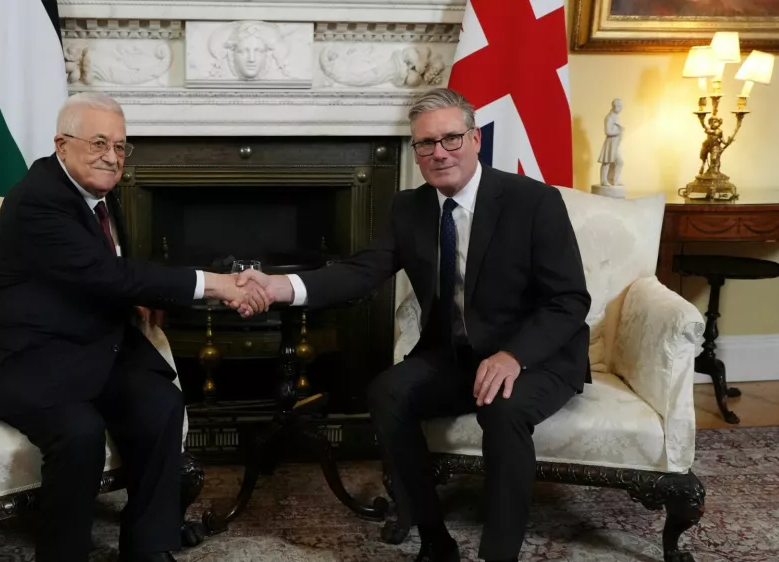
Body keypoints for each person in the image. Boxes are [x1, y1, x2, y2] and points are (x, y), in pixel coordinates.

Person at [236, 87, 591, 562]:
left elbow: (569, 300)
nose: (439, 153)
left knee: (502, 411)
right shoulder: (411, 207)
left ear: (475, 139)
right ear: (415, 150)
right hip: (456, 353)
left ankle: (499, 553)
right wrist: (281, 287)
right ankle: (433, 538)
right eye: (426, 144)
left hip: (536, 356)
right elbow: (361, 272)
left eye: (451, 139)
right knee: (388, 392)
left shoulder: (534, 201)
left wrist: (513, 357)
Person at [0, 92, 269, 562]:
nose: (112, 157)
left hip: (89, 346)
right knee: (79, 430)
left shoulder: (96, 193)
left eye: (120, 146)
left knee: (161, 402)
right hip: (19, 358)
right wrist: (217, 285)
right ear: (61, 144)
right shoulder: (39, 200)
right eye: (99, 143)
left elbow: (107, 271)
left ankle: (150, 547)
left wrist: (141, 297)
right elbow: (104, 273)